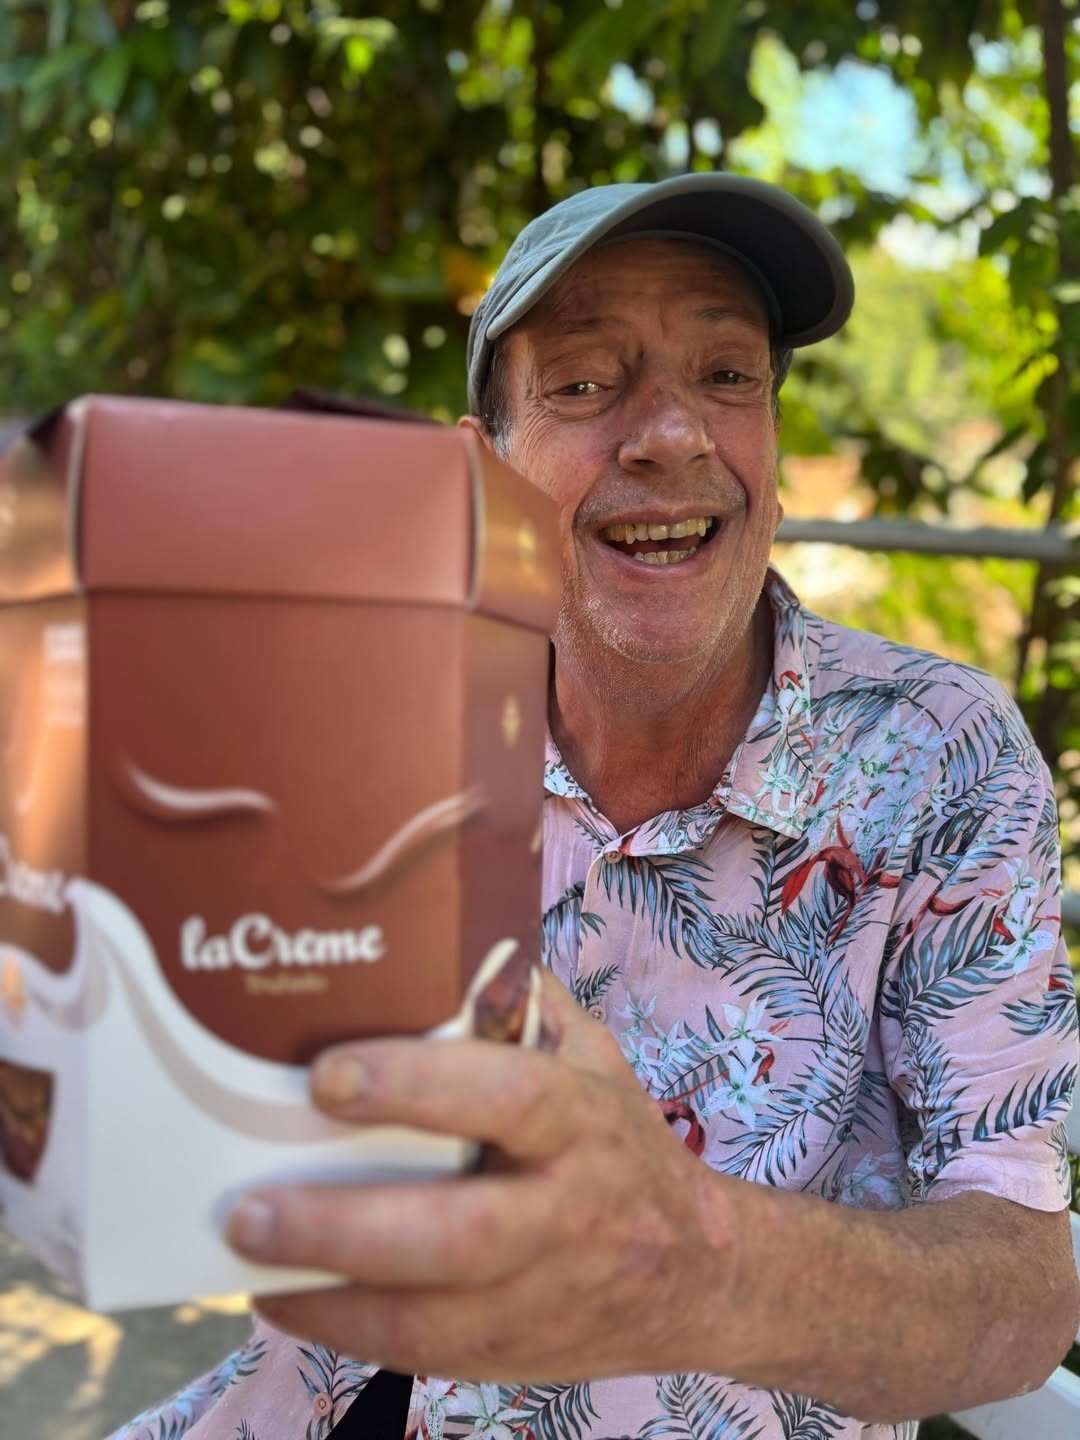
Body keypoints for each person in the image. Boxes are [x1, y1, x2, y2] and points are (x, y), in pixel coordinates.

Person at [111, 173, 1079, 1440]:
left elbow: (1025, 1287)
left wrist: (698, 1263)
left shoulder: (939, 756)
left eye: (727, 376)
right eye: (582, 384)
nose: (672, 434)